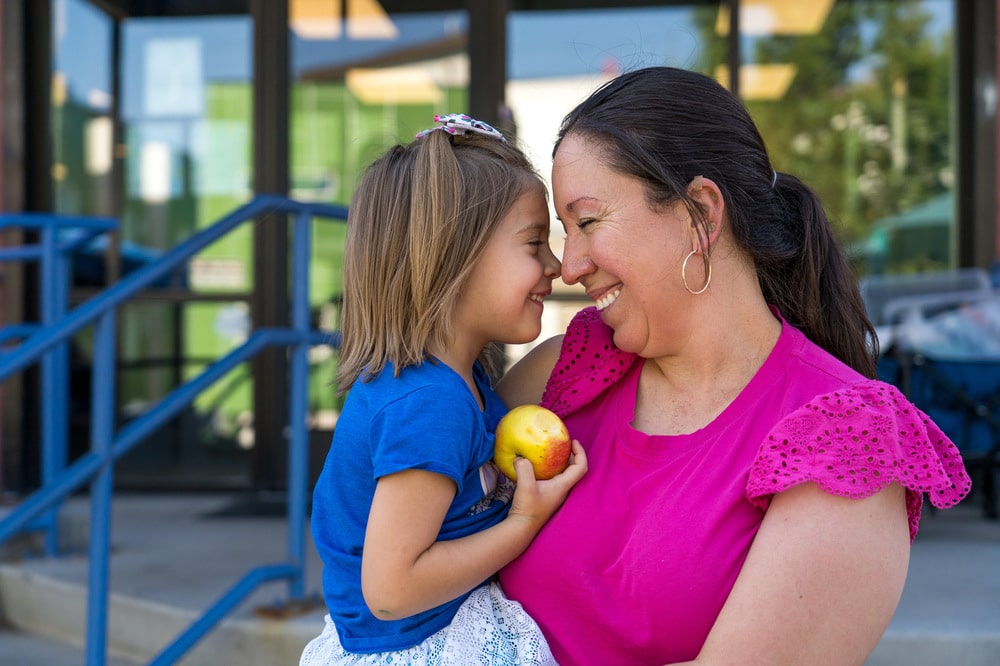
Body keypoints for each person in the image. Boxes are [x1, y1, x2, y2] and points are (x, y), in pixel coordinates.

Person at [495, 67, 973, 665]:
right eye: (566, 232)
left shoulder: (847, 442)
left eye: (588, 223)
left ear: (700, 212)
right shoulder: (570, 370)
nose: (570, 267)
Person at [300, 113, 587, 666]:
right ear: (455, 258)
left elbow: (543, 375)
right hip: (419, 646)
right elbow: (391, 591)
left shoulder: (453, 383)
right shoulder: (431, 405)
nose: (557, 265)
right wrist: (524, 522)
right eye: (534, 243)